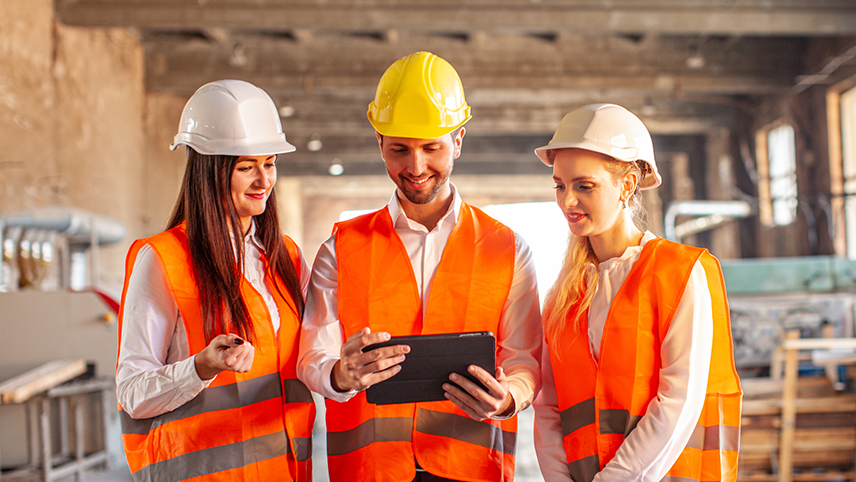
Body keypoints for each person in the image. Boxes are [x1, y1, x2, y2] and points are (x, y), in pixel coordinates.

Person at [297, 51, 542, 482]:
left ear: (459, 141)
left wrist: (508, 399)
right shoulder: (342, 247)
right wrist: (338, 373)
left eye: (432, 148)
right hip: (369, 470)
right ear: (378, 143)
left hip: (468, 467)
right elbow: (311, 352)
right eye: (399, 150)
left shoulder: (507, 248)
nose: (415, 168)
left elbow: (525, 358)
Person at [115, 80, 315, 482]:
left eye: (270, 163)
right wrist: (201, 367)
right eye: (246, 167)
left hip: (285, 470)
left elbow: (312, 356)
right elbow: (132, 393)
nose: (264, 181)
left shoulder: (286, 257)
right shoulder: (163, 259)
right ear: (210, 170)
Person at [532, 103, 742, 482]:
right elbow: (548, 408)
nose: (567, 201)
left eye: (584, 186)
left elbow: (679, 401)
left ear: (627, 185)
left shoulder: (680, 273)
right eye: (560, 186)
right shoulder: (562, 296)